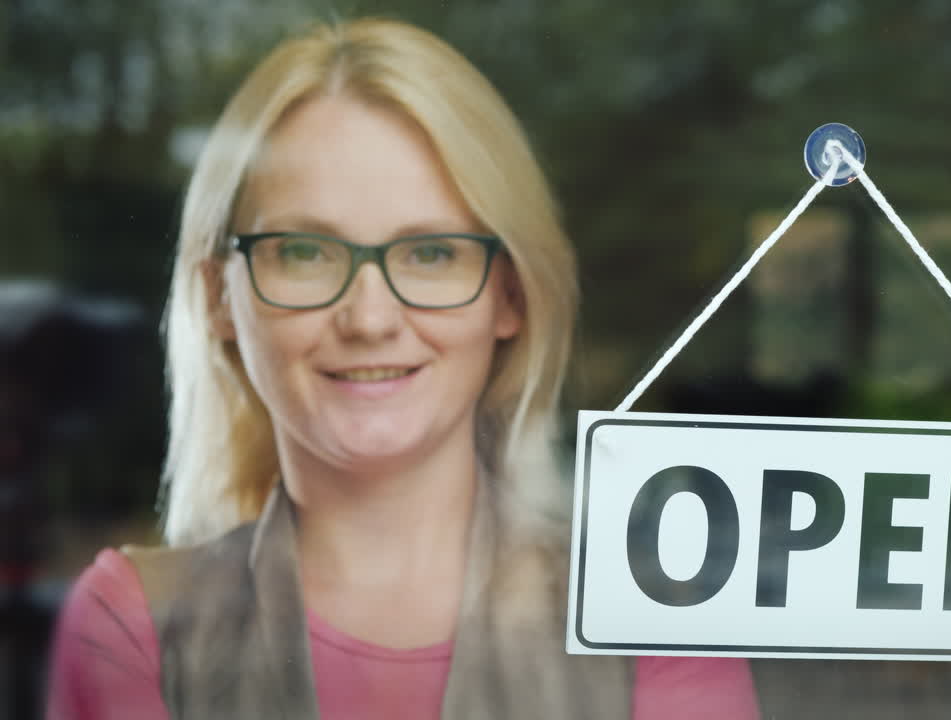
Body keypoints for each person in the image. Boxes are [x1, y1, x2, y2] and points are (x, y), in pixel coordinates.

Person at [46, 17, 759, 720]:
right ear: (219, 299)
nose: (370, 319)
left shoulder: (654, 623)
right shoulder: (132, 623)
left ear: (509, 294)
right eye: (304, 252)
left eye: (431, 253)